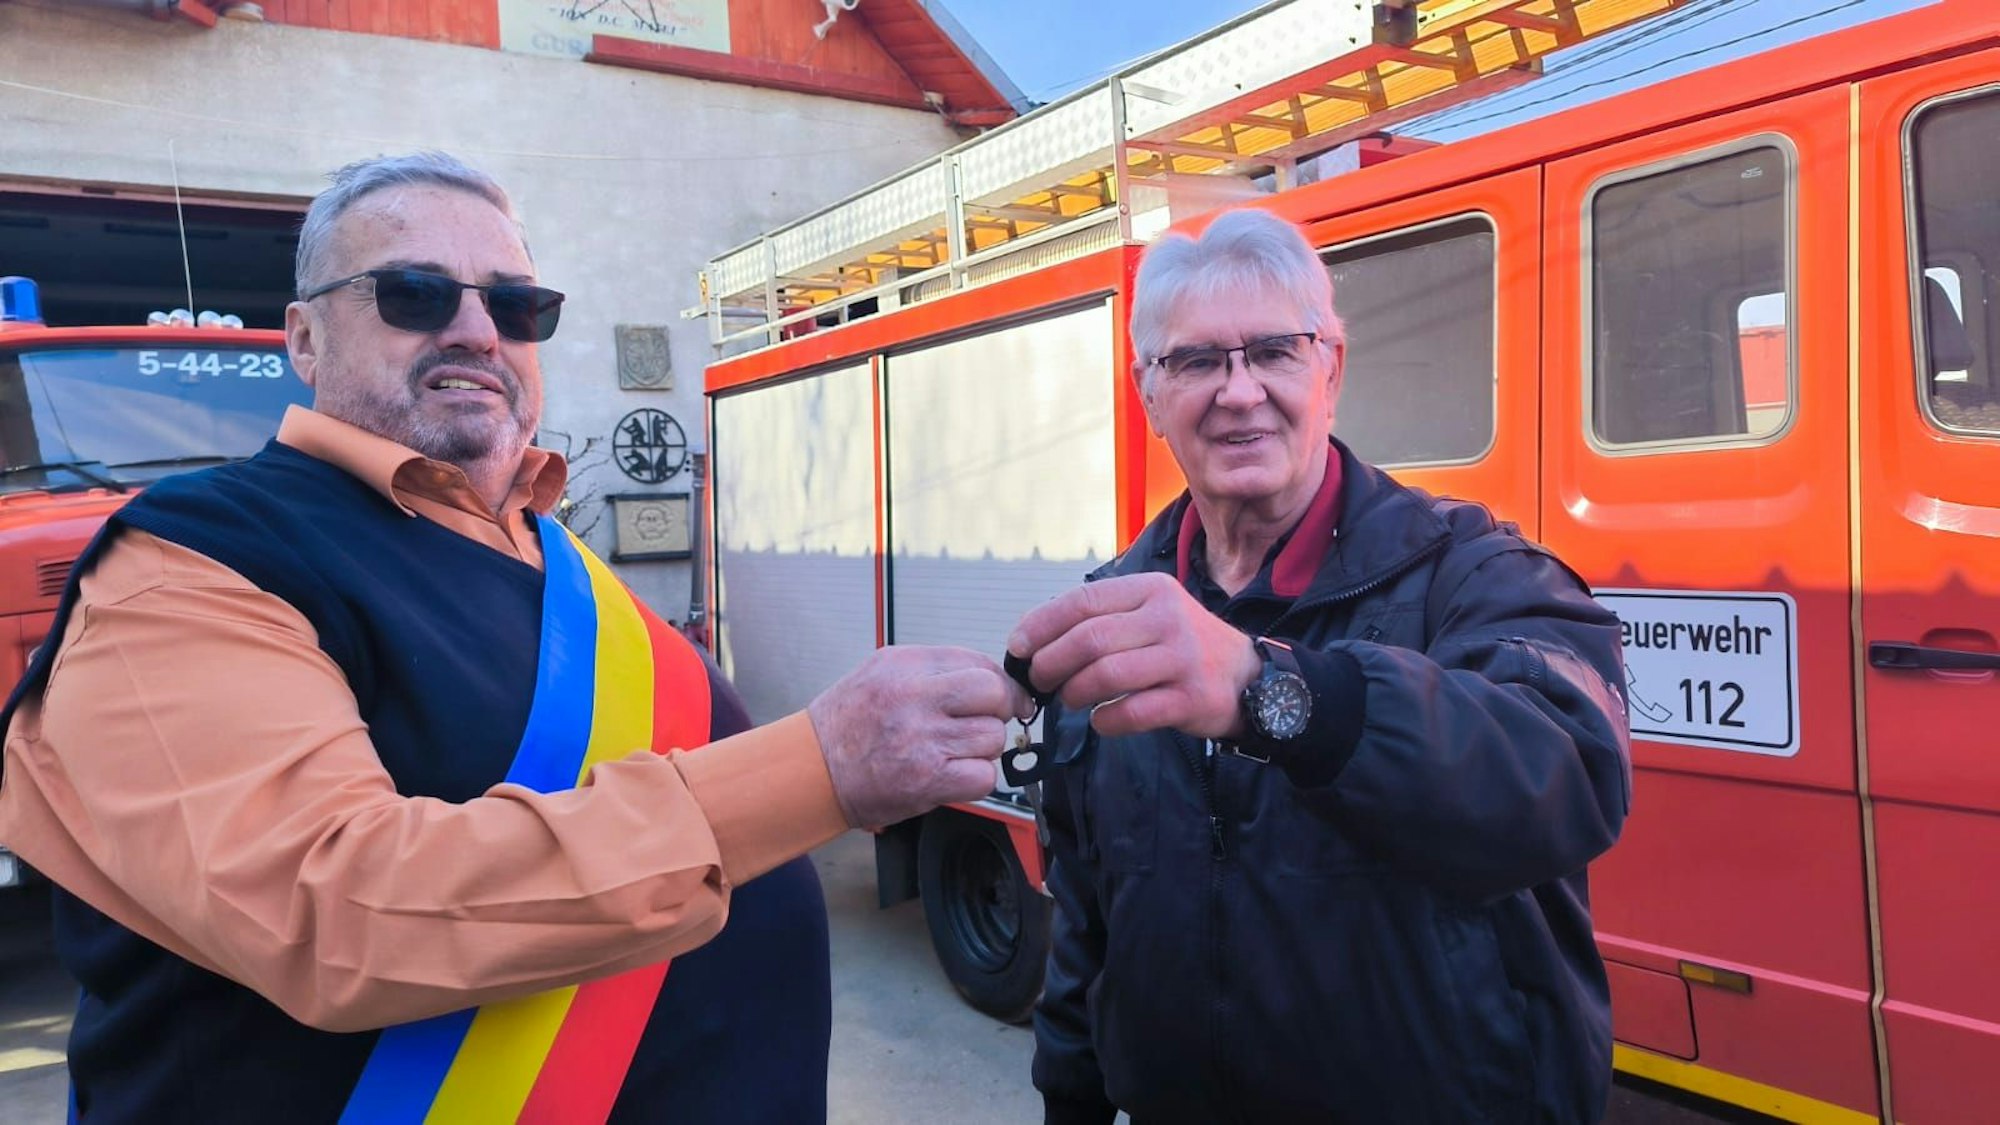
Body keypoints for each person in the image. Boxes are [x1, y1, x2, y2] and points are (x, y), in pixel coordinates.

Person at [0, 152, 1027, 1123]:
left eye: (514, 306)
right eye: (414, 293)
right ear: (304, 340)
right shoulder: (185, 567)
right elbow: (339, 915)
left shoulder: (558, 561)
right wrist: (823, 765)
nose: (478, 332)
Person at [1009, 207, 1632, 1124]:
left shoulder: (1474, 572)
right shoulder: (1120, 614)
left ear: (1329, 370)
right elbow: (1089, 916)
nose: (1239, 391)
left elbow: (1568, 772)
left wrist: (1276, 692)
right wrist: (1071, 1098)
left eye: (1274, 351)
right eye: (1196, 361)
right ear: (1148, 395)